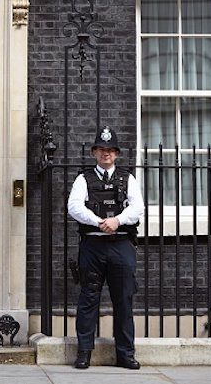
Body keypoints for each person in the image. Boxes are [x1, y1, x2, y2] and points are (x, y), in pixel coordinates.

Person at [67, 126, 144, 370]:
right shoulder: (83, 179)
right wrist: (99, 222)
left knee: (124, 300)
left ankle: (125, 354)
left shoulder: (127, 178)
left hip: (121, 244)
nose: (106, 154)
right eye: (101, 149)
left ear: (117, 154)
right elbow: (74, 207)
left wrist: (117, 221)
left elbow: (137, 208)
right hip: (93, 245)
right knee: (88, 299)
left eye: (110, 150)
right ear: (94, 152)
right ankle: (84, 353)